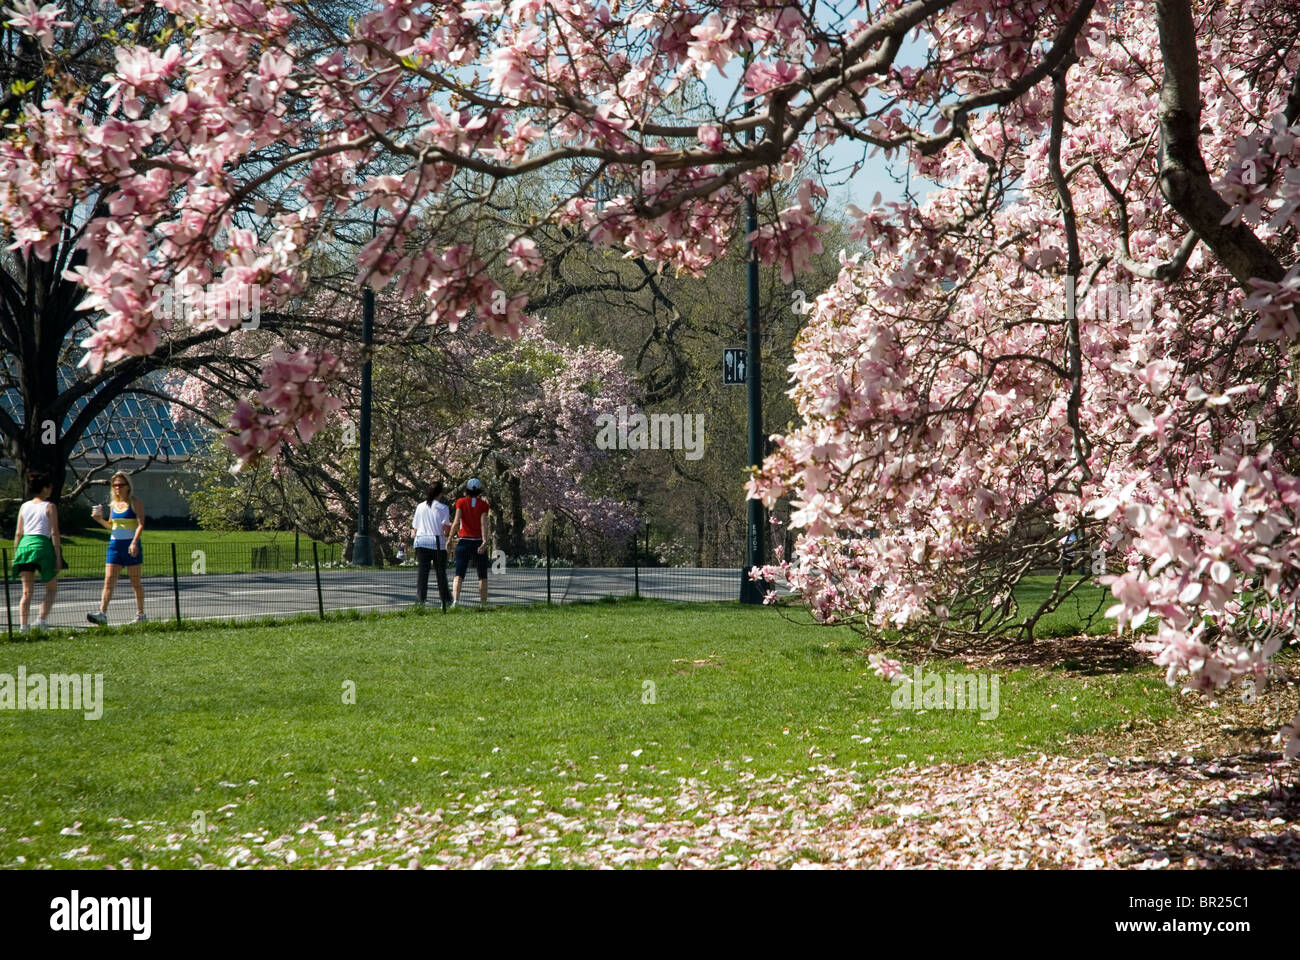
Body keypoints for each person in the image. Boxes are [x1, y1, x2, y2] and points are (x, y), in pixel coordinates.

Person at [86, 472, 147, 625]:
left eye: (121, 485)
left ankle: (141, 615)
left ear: (128, 486)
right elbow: (111, 525)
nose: (117, 488)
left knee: (135, 582)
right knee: (109, 580)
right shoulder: (114, 505)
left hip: (130, 545)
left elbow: (141, 524)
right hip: (114, 546)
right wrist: (99, 520)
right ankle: (102, 614)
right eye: (115, 485)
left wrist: (134, 542)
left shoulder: (135, 502)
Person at [12, 473, 62, 634]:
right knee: (51, 588)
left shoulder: (24, 506)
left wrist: (16, 552)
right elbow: (54, 533)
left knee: (26, 591)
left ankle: (23, 626)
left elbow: (18, 532)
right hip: (42, 546)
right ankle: (41, 620)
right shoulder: (50, 506)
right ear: (45, 489)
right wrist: (58, 557)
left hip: (25, 546)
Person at [448, 477, 491, 609]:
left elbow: (456, 522)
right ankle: (483, 603)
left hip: (464, 541)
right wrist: (485, 541)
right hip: (478, 541)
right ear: (479, 490)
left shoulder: (461, 502)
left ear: (467, 489)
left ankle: (456, 602)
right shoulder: (484, 505)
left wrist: (450, 538)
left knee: (459, 573)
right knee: (482, 575)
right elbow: (483, 524)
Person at [410, 480, 452, 610]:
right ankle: (445, 600)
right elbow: (446, 529)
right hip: (437, 543)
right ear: (440, 493)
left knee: (423, 574)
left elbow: (415, 528)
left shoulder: (420, 506)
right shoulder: (443, 508)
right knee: (440, 574)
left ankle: (420, 600)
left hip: (421, 542)